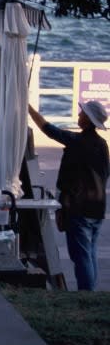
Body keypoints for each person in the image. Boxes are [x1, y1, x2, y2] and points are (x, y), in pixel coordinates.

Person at [27, 100, 108, 291]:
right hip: (97, 207)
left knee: (81, 257)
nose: (79, 116)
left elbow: (48, 129)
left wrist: (28, 108)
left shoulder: (77, 142)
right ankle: (91, 293)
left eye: (82, 114)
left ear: (88, 120)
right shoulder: (102, 144)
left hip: (80, 209)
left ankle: (86, 294)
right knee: (90, 253)